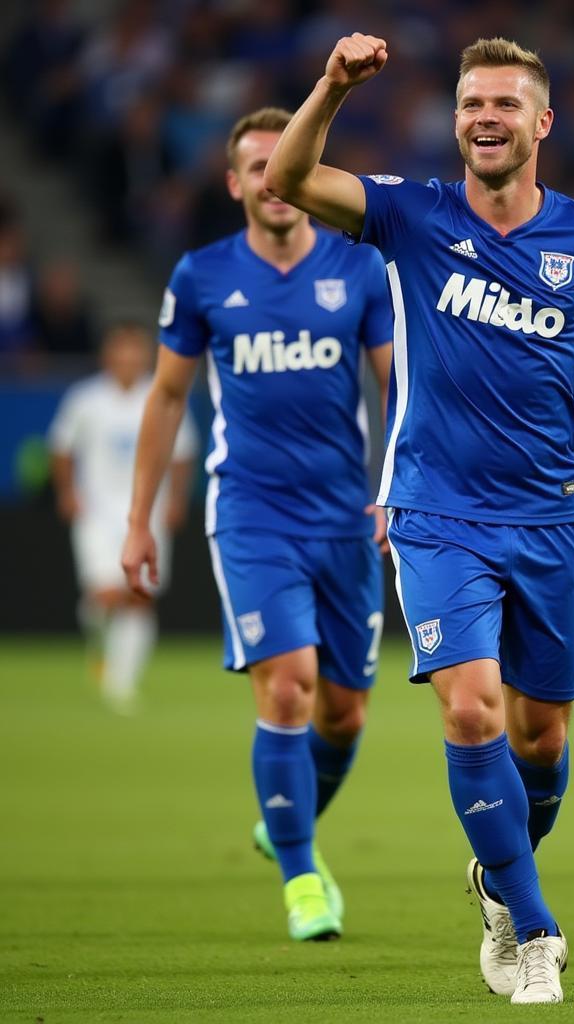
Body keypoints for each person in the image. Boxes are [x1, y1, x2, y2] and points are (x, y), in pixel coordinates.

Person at [263, 35, 574, 1004]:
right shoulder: (412, 214)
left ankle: (500, 879)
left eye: (505, 103)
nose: (485, 117)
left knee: (544, 741)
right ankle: (535, 929)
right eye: (470, 103)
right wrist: (334, 85)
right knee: (471, 707)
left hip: (548, 518)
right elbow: (289, 177)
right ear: (455, 119)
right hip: (435, 510)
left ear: (542, 123)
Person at [120, 107, 394, 943]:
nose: (271, 178)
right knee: (287, 685)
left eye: (285, 162)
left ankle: (285, 816)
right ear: (236, 183)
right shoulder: (202, 277)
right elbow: (167, 396)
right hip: (251, 513)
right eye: (254, 165)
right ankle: (302, 874)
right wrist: (137, 522)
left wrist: (394, 485)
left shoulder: (360, 272)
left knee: (344, 713)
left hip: (347, 520)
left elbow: (399, 387)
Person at [50, 321, 197, 713]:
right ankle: (98, 640)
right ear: (108, 355)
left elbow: (183, 453)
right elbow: (61, 447)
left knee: (139, 596)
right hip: (98, 512)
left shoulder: (161, 394)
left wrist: (176, 498)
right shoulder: (85, 400)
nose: (128, 358)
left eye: (135, 350)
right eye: (121, 350)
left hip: (145, 512)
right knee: (105, 595)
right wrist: (67, 492)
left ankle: (120, 683)